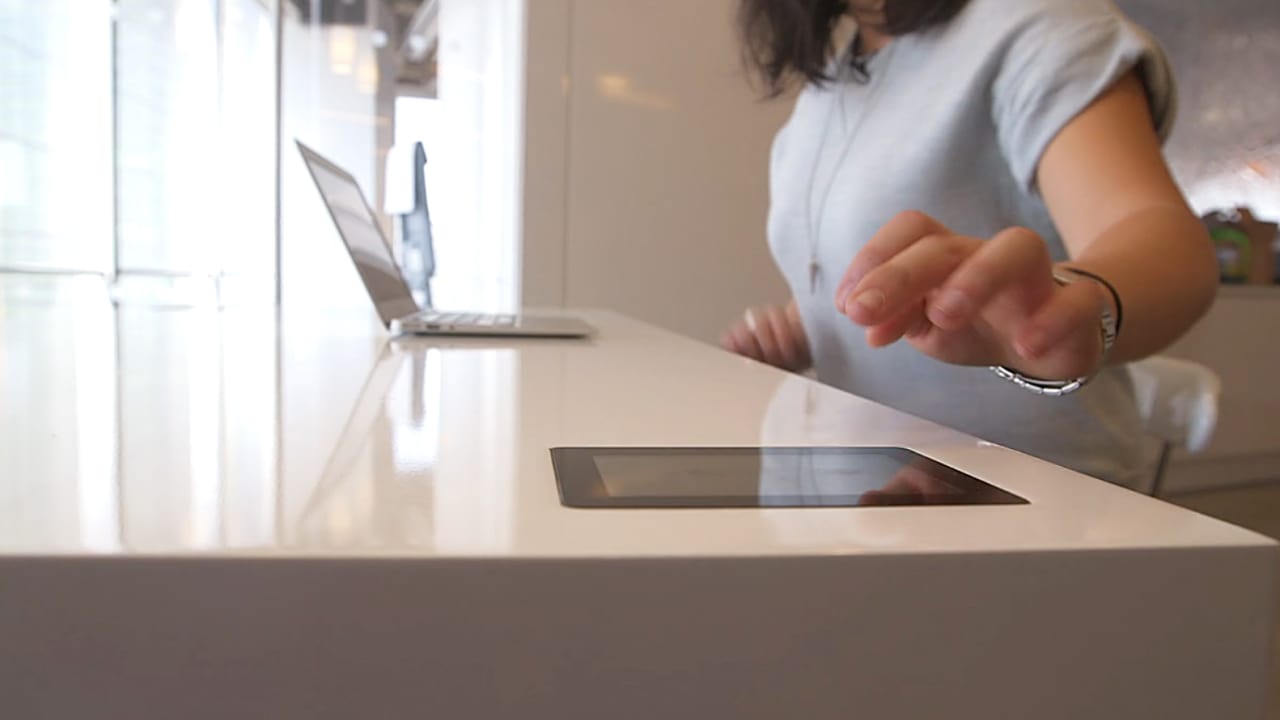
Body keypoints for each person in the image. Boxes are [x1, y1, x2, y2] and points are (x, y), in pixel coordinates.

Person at [721, 0, 1218, 488]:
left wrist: (1065, 311)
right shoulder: (831, 83)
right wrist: (811, 324)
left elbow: (1157, 233)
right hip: (860, 500)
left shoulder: (1037, 29)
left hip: (1029, 512)